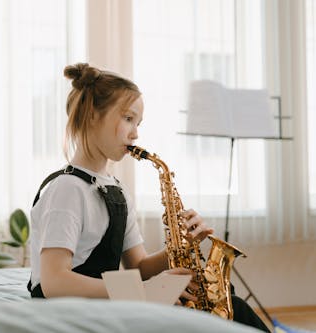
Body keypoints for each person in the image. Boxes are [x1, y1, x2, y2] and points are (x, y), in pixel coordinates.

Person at [27, 63, 269, 332]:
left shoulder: (115, 189)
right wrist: (143, 291)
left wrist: (184, 246)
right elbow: (54, 283)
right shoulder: (67, 189)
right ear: (92, 115)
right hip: (71, 313)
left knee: (228, 303)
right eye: (128, 119)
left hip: (100, 305)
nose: (136, 133)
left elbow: (139, 266)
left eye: (138, 123)